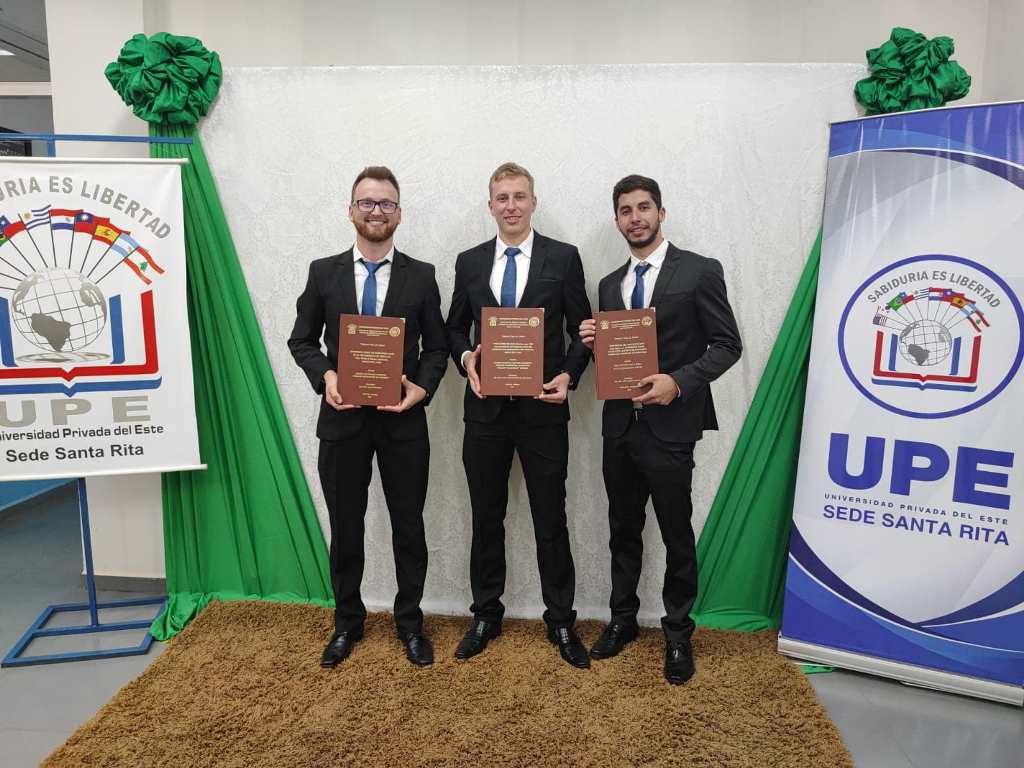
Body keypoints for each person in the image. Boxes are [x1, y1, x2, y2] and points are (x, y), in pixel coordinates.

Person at [579, 174, 742, 684]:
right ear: (617, 221)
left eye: (644, 208)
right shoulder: (609, 285)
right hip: (619, 427)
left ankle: (677, 634)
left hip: (672, 426)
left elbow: (727, 344)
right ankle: (622, 621)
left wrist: (679, 381)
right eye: (626, 210)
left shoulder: (698, 270)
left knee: (675, 533)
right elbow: (619, 354)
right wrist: (593, 342)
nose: (636, 218)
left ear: (661, 213)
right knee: (622, 532)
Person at [288, 166, 448, 669]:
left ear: (398, 213)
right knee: (346, 527)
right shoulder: (323, 272)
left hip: (403, 422)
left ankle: (410, 624)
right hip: (342, 422)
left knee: (408, 526)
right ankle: (346, 624)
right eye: (367, 203)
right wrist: (327, 377)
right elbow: (301, 341)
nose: (376, 212)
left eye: (386, 204)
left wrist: (420, 388)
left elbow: (438, 348)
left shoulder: (422, 275)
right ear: (351, 209)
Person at [445, 162, 593, 668]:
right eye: (502, 197)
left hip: (542, 414)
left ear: (534, 202)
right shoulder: (468, 263)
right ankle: (486, 614)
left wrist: (569, 377)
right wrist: (467, 362)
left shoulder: (564, 258)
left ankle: (561, 620)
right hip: (485, 412)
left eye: (519, 196)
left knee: (551, 519)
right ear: (490, 206)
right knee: (487, 517)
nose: (511, 205)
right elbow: (452, 330)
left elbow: (584, 330)